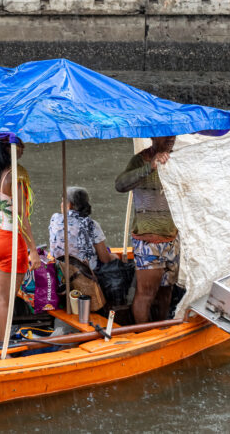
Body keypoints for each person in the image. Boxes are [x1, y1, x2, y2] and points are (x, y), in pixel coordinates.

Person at [0, 140, 41, 345]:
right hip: (7, 239)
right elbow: (22, 217)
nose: (23, 147)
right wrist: (33, 251)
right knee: (3, 298)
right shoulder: (15, 175)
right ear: (7, 148)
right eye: (18, 143)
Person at [115, 136, 179, 324]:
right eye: (165, 135)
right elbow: (120, 185)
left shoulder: (178, 159)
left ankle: (160, 328)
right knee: (146, 293)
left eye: (173, 135)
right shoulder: (140, 160)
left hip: (172, 237)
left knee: (167, 290)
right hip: (148, 241)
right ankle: (144, 335)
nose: (170, 139)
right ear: (153, 137)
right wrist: (150, 167)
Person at [49, 186, 113, 272]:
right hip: (85, 272)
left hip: (60, 268)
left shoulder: (54, 219)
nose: (61, 204)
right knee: (112, 256)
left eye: (62, 201)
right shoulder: (91, 224)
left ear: (69, 205)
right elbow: (105, 259)